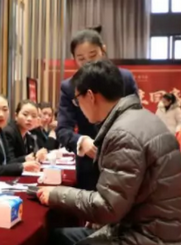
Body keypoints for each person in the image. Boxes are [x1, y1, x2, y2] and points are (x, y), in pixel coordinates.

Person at [30, 60, 181, 245]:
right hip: (152, 238)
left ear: (90, 96)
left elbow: (107, 207)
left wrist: (55, 194)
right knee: (55, 237)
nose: (77, 107)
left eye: (77, 100)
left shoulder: (123, 133)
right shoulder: (138, 118)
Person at [57, 27, 138, 190]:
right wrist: (81, 141)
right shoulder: (69, 87)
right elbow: (63, 129)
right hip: (89, 164)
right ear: (73, 59)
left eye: (93, 55)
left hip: (124, 159)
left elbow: (136, 119)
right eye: (81, 58)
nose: (88, 62)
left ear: (103, 50)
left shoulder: (124, 78)